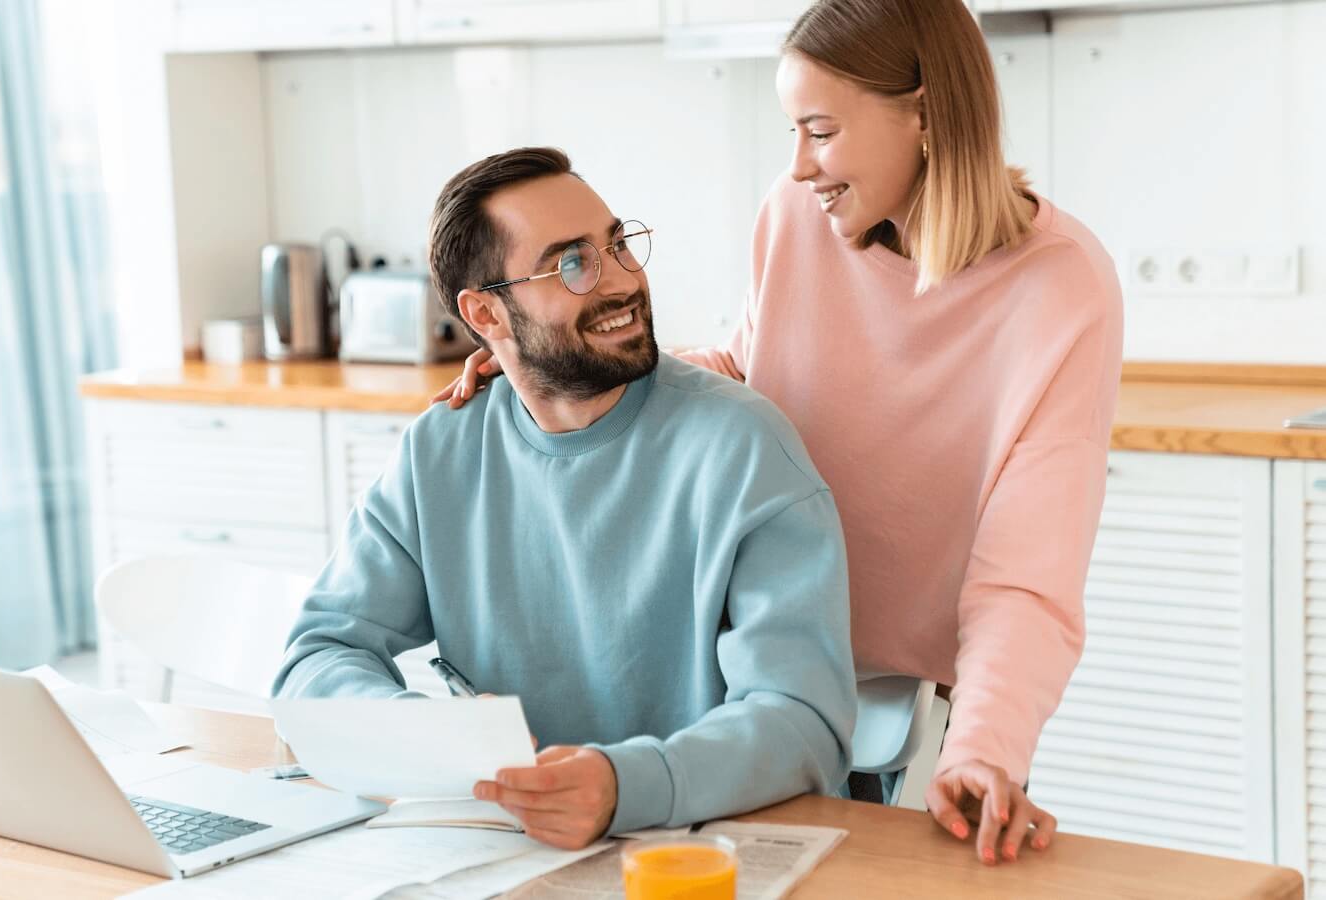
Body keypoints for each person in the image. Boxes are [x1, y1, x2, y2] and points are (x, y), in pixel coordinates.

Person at [435, 0, 1123, 866]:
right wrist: (550, 363)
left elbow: (1027, 578)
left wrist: (982, 752)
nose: (798, 166)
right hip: (740, 665)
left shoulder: (1061, 290)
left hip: (888, 696)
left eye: (821, 131)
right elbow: (748, 369)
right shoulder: (798, 216)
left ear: (923, 111)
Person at [274, 147, 856, 850]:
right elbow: (318, 653)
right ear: (486, 314)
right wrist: (430, 737)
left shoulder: (743, 447)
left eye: (617, 245)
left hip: (704, 853)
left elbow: (803, 723)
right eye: (572, 264)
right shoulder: (442, 450)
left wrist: (624, 785)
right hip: (511, 850)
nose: (620, 281)